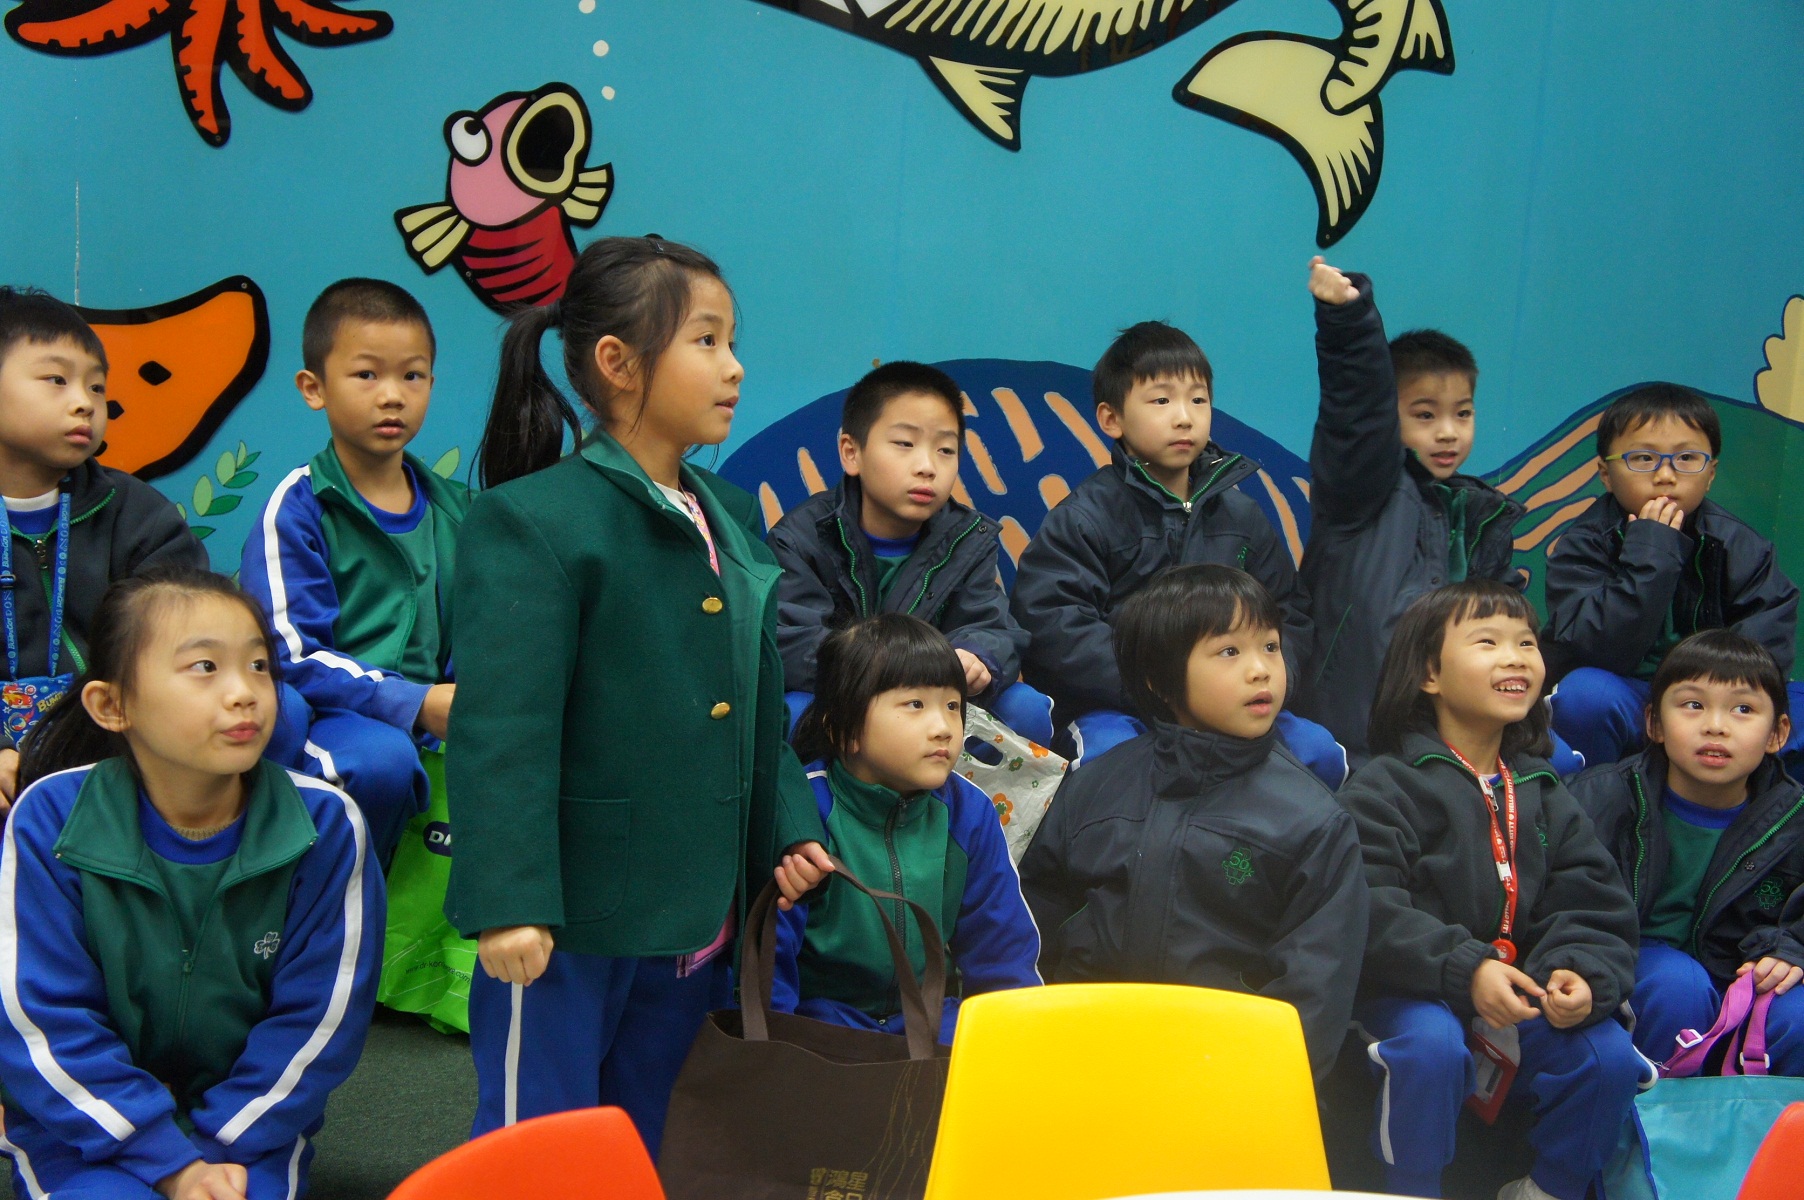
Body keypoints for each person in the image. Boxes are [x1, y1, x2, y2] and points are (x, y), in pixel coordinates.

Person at [444, 236, 830, 1156]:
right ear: (618, 363)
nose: (734, 367)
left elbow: (755, 695)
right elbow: (502, 729)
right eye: (707, 340)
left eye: (732, 341)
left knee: (650, 1135)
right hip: (570, 915)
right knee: (537, 1143)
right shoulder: (534, 519)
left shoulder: (729, 512)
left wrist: (786, 825)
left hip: (695, 905)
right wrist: (508, 900)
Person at [0, 567, 382, 1200]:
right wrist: (168, 1161)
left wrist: (216, 1154)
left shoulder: (325, 825)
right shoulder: (49, 818)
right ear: (111, 706)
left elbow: (318, 1023)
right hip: (84, 1126)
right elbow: (39, 1020)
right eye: (205, 667)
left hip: (248, 1128)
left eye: (259, 666)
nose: (245, 693)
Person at [1339, 580, 1647, 1200]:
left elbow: (1592, 903)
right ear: (1429, 673)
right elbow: (1366, 907)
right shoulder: (1384, 785)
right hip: (1411, 991)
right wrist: (1466, 968)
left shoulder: (1543, 789)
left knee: (1606, 1057)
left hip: (1516, 998)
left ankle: (1547, 1190)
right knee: (1429, 1047)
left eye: (1526, 643)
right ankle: (1410, 1189)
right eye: (1488, 642)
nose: (1516, 658)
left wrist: (1578, 973)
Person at [1019, 565, 1366, 1084]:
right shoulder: (1095, 786)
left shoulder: (1314, 820)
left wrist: (1251, 1089)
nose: (1261, 670)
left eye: (1270, 646)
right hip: (1089, 1057)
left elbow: (1314, 996)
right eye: (1229, 651)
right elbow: (1035, 922)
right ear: (1159, 678)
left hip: (1226, 1079)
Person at [1010, 321, 1345, 785]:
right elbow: (1052, 622)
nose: (1184, 417)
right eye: (1161, 401)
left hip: (1232, 702)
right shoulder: (1084, 518)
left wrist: (1256, 677)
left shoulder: (1243, 516)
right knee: (1109, 761)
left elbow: (1289, 614)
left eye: (1198, 400)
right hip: (1122, 707)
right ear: (1111, 419)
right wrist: (1163, 685)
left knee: (1318, 753)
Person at [242, 279, 469, 864]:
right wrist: (412, 702)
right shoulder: (298, 508)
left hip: (434, 715)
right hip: (326, 716)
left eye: (412, 375)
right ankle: (323, 900)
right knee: (381, 761)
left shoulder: (459, 510)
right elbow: (289, 655)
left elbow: (480, 632)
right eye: (366, 374)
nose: (392, 396)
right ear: (313, 388)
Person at [1297, 259, 1549, 770]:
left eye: (1463, 413)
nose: (1448, 432)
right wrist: (1348, 322)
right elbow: (1355, 415)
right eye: (1425, 414)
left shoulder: (1478, 516)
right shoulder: (1363, 491)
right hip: (1358, 739)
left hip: (1453, 743)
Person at [771, 614, 1041, 1044]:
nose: (943, 728)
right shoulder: (804, 808)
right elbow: (771, 965)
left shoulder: (968, 812)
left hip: (929, 1016)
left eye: (952, 706)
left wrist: (1010, 1041)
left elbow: (1002, 953)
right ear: (844, 728)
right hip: (822, 1025)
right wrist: (774, 1056)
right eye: (915, 705)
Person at [768, 360, 1051, 745]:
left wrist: (977, 656)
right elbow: (791, 642)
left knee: (1025, 708)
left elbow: (992, 626)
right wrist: (896, 666)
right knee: (793, 713)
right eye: (904, 444)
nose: (927, 467)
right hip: (846, 698)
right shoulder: (801, 537)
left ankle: (957, 789)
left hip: (936, 705)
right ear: (851, 452)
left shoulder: (967, 538)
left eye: (946, 449)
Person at [0, 286, 207, 810]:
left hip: (110, 746)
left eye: (96, 387)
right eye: (57, 380)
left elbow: (183, 644)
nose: (85, 403)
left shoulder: (137, 514)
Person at [1569, 630, 1804, 1073]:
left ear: (1778, 734)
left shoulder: (1794, 817)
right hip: (1637, 971)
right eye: (1693, 704)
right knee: (1678, 984)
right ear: (1654, 724)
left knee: (1797, 1013)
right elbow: (1568, 905)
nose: (1716, 725)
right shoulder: (1599, 798)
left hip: (1741, 975)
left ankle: (1771, 1119)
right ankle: (1650, 1114)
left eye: (1743, 709)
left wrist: (1790, 947)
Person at [1543, 382, 1804, 769]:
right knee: (1586, 696)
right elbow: (1599, 651)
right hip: (1629, 694)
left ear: (1711, 473)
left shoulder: (1744, 547)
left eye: (1686, 458)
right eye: (1643, 458)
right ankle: (1594, 803)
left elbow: (1763, 657)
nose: (1665, 475)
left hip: (1717, 704)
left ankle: (1754, 806)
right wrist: (1653, 553)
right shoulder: (1584, 545)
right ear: (1605, 474)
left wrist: (1697, 706)